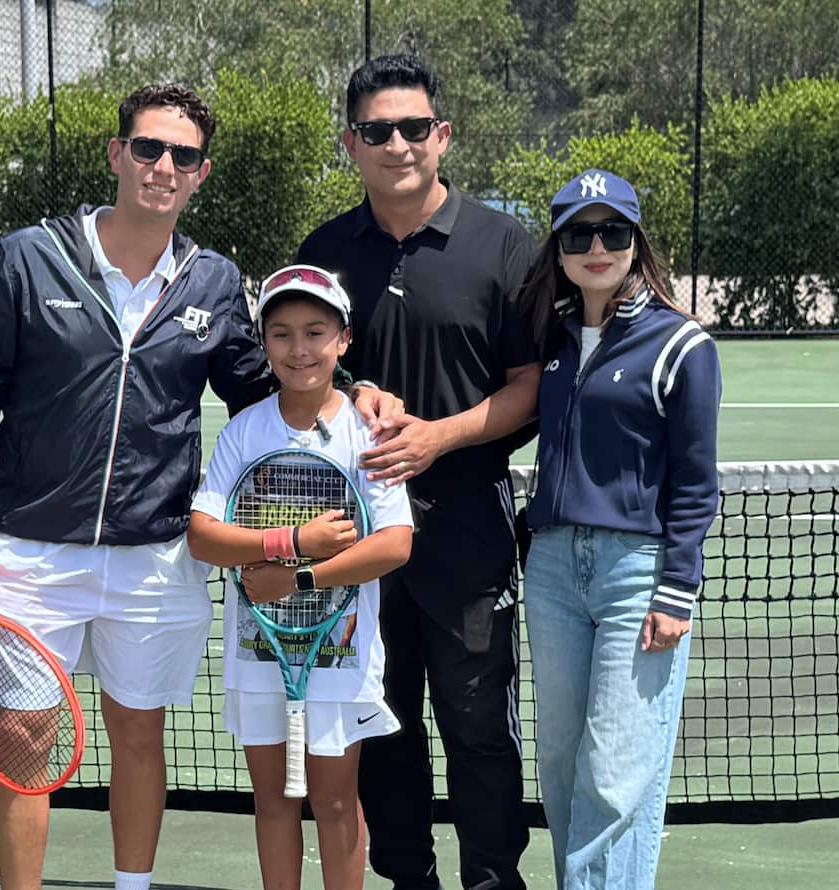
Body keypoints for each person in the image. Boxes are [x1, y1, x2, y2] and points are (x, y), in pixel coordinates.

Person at [0, 85, 399, 890]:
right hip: (33, 548)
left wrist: (359, 390)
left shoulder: (212, 282)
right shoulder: (27, 258)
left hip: (157, 557)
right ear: (117, 154)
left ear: (201, 174)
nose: (164, 166)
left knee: (139, 735)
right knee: (25, 737)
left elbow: (261, 382)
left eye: (184, 156)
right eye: (148, 149)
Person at [296, 54, 540, 890]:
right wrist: (356, 387)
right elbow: (296, 368)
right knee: (383, 720)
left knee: (478, 727)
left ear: (441, 136)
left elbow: (531, 387)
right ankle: (411, 879)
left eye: (412, 128)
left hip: (468, 524)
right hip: (358, 534)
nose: (396, 144)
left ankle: (491, 880)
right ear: (351, 143)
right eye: (376, 131)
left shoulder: (504, 246)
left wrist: (437, 438)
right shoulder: (325, 252)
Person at [518, 169, 721, 890]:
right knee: (562, 765)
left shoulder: (683, 347)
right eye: (579, 233)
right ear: (560, 247)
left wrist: (677, 589)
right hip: (549, 572)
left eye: (613, 232)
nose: (596, 247)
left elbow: (697, 482)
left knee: (614, 773)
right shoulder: (551, 339)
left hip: (637, 573)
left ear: (637, 242)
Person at [187, 263, 415, 890]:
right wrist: (292, 541)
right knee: (274, 801)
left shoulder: (367, 433)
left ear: (343, 340)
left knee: (337, 802)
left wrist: (300, 578)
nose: (299, 349)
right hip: (256, 654)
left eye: (316, 331)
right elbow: (203, 535)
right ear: (264, 344)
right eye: (282, 333)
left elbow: (395, 543)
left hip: (341, 658)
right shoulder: (243, 432)